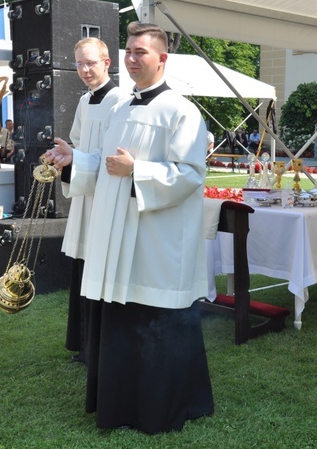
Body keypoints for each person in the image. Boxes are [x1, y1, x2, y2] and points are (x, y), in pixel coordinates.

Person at [44, 22, 213, 433]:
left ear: (162, 59)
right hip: (117, 236)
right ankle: (120, 407)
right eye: (130, 51)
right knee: (121, 318)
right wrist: (76, 160)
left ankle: (160, 409)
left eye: (142, 52)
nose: (133, 58)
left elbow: (192, 175)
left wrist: (138, 171)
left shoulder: (181, 111)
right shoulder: (120, 108)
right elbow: (104, 163)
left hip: (155, 238)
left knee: (155, 323)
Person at [62, 37, 129, 364]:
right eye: (79, 63)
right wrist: (64, 157)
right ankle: (84, 343)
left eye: (90, 62)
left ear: (107, 63)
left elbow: (111, 154)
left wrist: (75, 157)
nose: (85, 70)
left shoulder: (121, 101)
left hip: (106, 197)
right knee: (82, 267)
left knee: (100, 269)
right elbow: (77, 143)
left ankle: (102, 347)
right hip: (84, 198)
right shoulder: (84, 102)